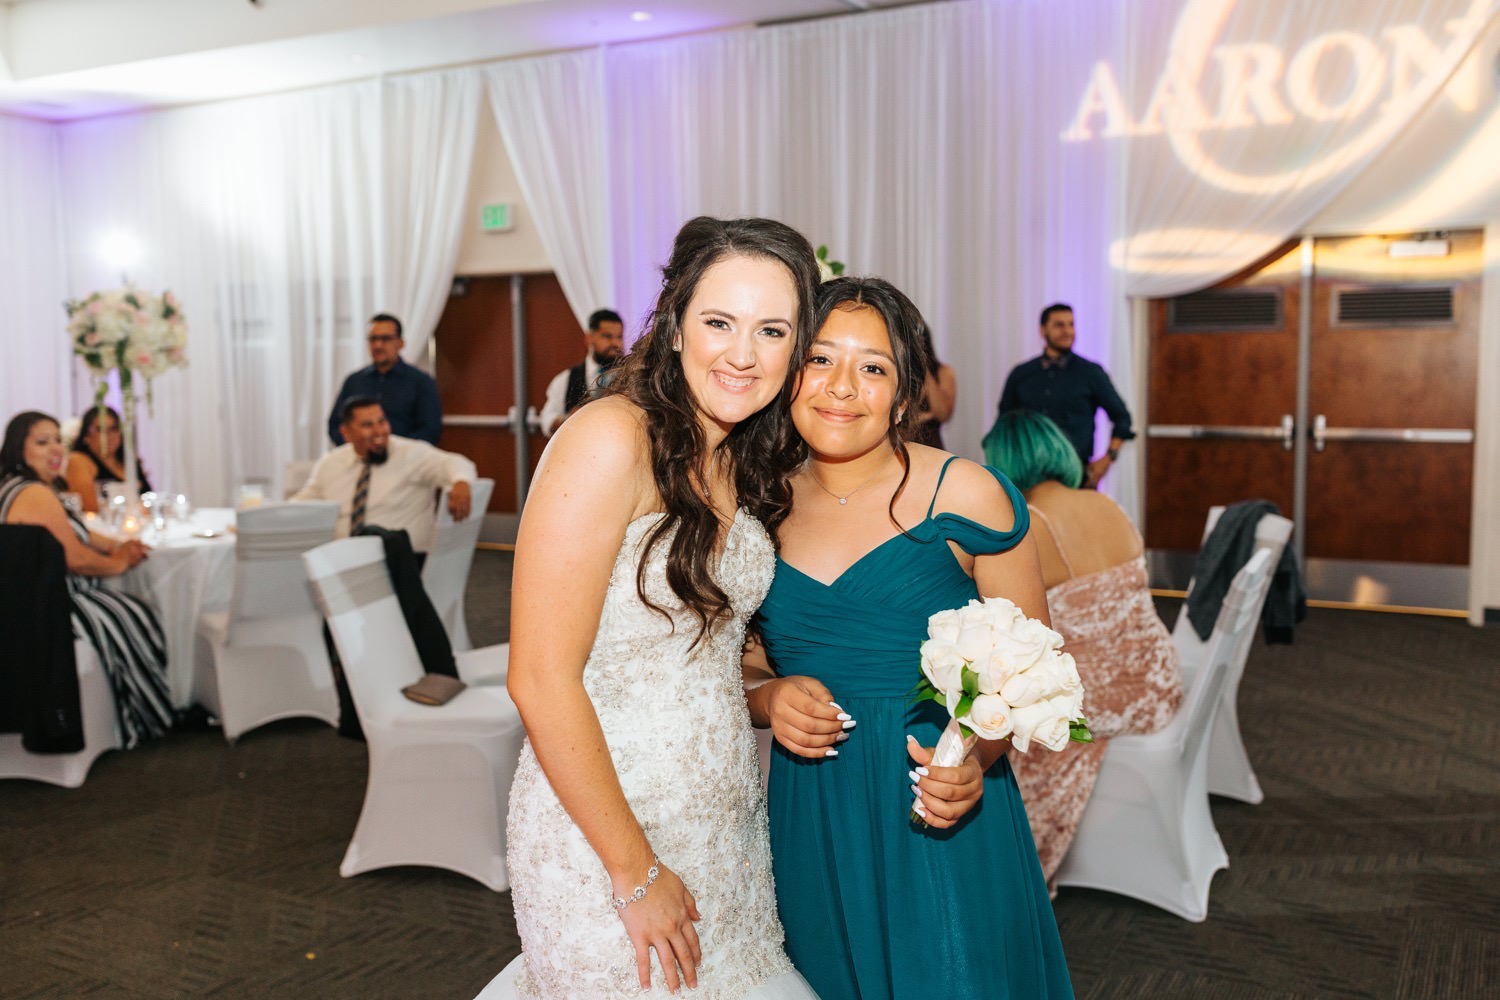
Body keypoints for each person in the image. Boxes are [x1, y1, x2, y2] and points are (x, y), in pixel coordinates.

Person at [478, 218, 821, 999]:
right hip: (606, 837)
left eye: (772, 330)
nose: (743, 353)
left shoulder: (738, 453)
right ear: (673, 327)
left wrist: (768, 693)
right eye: (719, 323)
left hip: (723, 831)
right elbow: (539, 678)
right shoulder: (607, 440)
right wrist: (635, 873)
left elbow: (711, 644)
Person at [748, 277, 1073, 999]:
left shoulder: (968, 494)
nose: (841, 388)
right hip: (814, 808)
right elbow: (735, 667)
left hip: (935, 799)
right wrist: (768, 698)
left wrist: (976, 757)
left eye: (873, 367)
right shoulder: (754, 503)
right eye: (820, 359)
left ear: (904, 397)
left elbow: (1032, 666)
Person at [984, 410, 1184, 883]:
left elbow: (999, 619)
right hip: (1159, 679)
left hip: (1111, 696)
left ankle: (1007, 873)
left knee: (995, 732)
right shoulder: (1106, 504)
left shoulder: (1026, 526)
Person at [1, 411, 173, 748]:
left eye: (58, 441)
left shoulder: (15, 487)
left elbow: (83, 535)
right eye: (41, 441)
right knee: (137, 614)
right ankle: (146, 715)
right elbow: (74, 558)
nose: (55, 449)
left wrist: (119, 545)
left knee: (130, 609)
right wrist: (119, 564)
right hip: (50, 608)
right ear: (18, 449)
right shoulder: (33, 493)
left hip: (26, 605)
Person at [296, 397, 475, 556]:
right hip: (343, 559)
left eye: (382, 422)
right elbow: (304, 503)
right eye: (367, 425)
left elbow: (456, 463)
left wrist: (461, 481)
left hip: (402, 561)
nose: (379, 431)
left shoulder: (411, 454)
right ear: (346, 433)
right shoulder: (331, 463)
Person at [997, 303, 1134, 488]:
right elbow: (1005, 424)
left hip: (1077, 475)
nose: (1067, 331)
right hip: (1028, 477)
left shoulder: (1090, 372)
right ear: (1043, 330)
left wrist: (1108, 458)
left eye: (1071, 324)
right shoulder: (1021, 374)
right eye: (1059, 325)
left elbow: (1122, 418)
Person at [326, 313, 443, 446]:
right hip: (359, 459)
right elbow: (335, 425)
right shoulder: (354, 381)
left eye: (385, 339)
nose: (378, 345)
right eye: (373, 339)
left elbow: (430, 430)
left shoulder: (421, 382)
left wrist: (395, 451)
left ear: (401, 343)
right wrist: (358, 447)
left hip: (405, 461)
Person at [539, 308, 626, 436]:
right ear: (590, 338)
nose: (615, 343)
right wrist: (567, 420)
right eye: (607, 336)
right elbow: (547, 420)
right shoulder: (566, 379)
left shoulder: (632, 377)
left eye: (619, 337)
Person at [63, 405, 153, 513]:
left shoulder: (129, 462)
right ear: (86, 436)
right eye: (100, 430)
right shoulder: (79, 461)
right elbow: (89, 508)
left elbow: (149, 497)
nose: (109, 435)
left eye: (113, 429)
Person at [910, 325, 956, 448]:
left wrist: (923, 367)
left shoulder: (942, 372)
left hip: (930, 444)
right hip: (898, 444)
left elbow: (943, 413)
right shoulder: (895, 371)